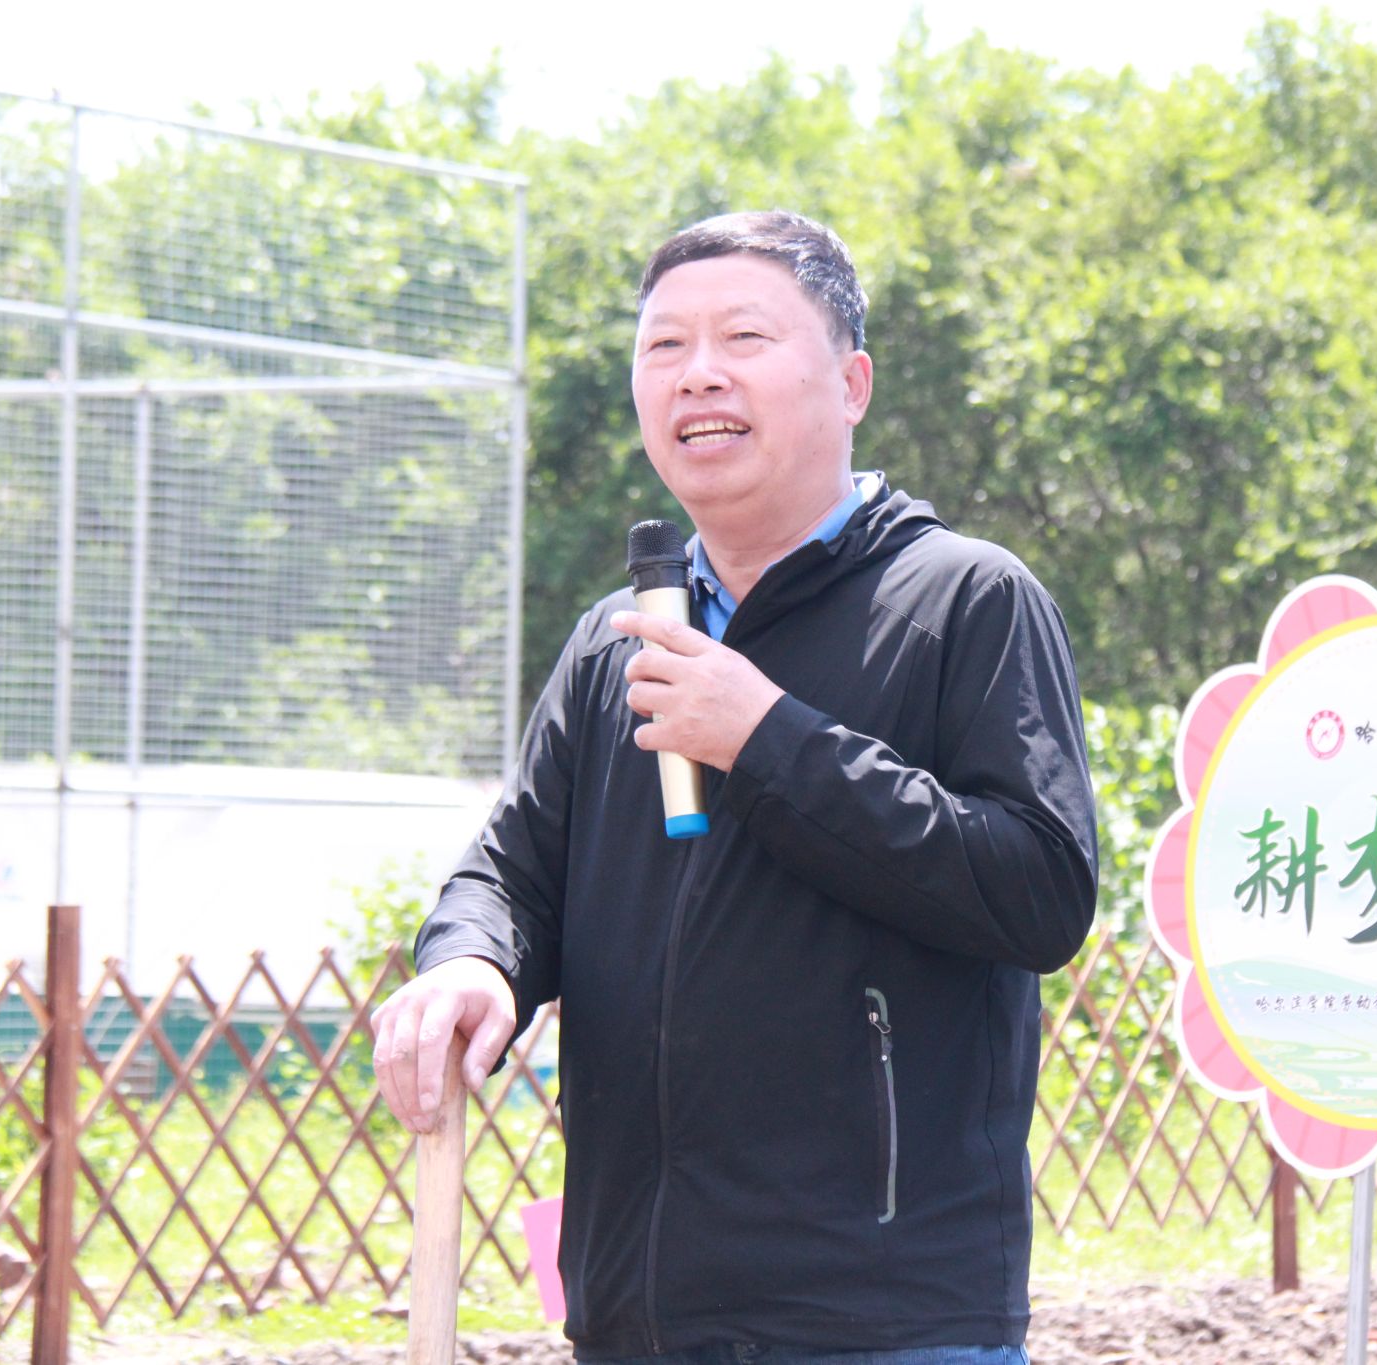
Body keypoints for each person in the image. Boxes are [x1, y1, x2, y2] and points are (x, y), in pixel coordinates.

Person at [370, 210, 1099, 1364]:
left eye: (744, 338)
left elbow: (1039, 890)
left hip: (881, 1319)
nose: (698, 374)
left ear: (850, 384)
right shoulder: (614, 642)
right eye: (663, 347)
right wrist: (473, 958)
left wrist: (767, 740)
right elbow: (515, 872)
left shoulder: (965, 601)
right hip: (636, 1312)